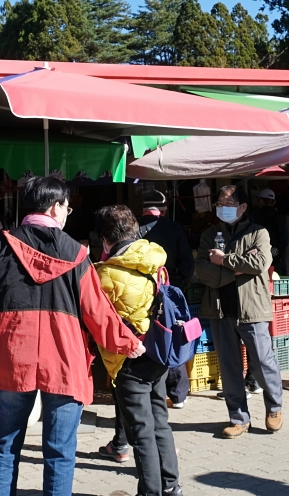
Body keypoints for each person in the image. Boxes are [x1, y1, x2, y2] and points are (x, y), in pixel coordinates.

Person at [0, 176, 144, 496]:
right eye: (67, 207)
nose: (67, 212)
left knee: (4, 447)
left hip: (14, 358)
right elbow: (98, 312)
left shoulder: (0, 247)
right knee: (60, 452)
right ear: (56, 207)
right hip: (66, 361)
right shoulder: (78, 253)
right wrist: (128, 343)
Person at [93, 205, 182, 496]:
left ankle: (150, 491)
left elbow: (97, 320)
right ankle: (171, 487)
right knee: (159, 423)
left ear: (106, 240)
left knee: (141, 432)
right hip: (157, 350)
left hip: (128, 359)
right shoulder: (154, 260)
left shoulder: (103, 275)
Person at [195, 185, 283, 439]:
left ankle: (274, 407)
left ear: (243, 207)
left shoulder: (259, 233)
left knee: (263, 362)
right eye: (220, 203)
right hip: (220, 309)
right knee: (229, 367)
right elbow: (202, 269)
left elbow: (259, 264)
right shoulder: (209, 235)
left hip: (252, 308)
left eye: (228, 203)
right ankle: (238, 417)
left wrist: (223, 260)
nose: (222, 208)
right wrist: (235, 269)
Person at [137, 189, 194, 410]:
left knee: (145, 337)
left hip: (139, 293)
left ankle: (151, 391)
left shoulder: (134, 228)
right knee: (172, 336)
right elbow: (188, 263)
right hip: (169, 290)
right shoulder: (174, 228)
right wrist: (178, 287)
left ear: (143, 208)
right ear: (164, 209)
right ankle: (178, 394)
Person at [250, 188, 289, 268]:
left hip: (258, 256)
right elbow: (286, 239)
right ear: (274, 202)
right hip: (277, 256)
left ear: (260, 201)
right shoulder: (282, 218)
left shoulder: (253, 217)